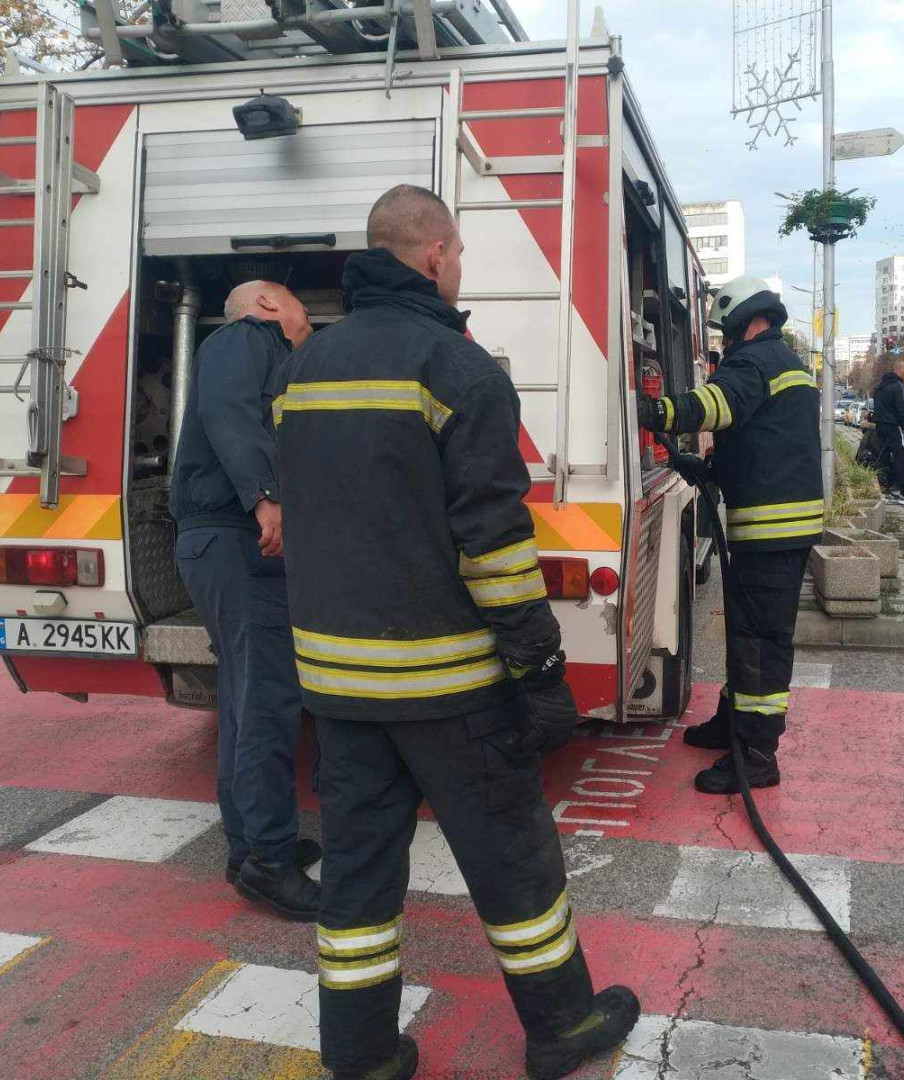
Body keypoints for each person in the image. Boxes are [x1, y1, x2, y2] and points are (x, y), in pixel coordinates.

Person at [276, 184, 638, 1080]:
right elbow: (496, 546)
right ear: (435, 253)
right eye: (461, 254)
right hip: (451, 688)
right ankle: (562, 1026)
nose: (460, 268)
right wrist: (540, 670)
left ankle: (360, 1054)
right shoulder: (458, 368)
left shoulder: (304, 367)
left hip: (338, 687)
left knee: (358, 876)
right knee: (512, 859)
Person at [171, 279, 323, 920]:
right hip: (237, 541)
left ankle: (249, 848)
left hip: (225, 545)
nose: (309, 317)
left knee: (245, 699)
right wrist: (266, 497)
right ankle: (268, 860)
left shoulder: (266, 352)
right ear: (266, 304)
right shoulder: (244, 338)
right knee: (266, 703)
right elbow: (229, 412)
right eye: (300, 303)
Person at [638, 275, 823, 794]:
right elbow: (765, 444)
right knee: (746, 633)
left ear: (746, 320)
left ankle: (757, 756)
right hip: (780, 527)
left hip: (769, 530)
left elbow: (717, 405)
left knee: (760, 643)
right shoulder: (784, 363)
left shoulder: (755, 362)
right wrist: (711, 469)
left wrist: (654, 411)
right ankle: (731, 723)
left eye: (727, 331)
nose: (725, 341)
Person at [872, 359, 904, 505]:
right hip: (894, 427)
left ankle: (884, 490)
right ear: (897, 370)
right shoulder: (898, 386)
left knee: (883, 459)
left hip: (881, 427)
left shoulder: (880, 385)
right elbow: (901, 409)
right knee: (901, 460)